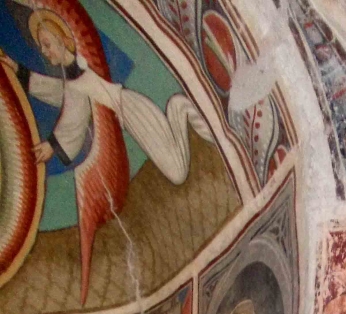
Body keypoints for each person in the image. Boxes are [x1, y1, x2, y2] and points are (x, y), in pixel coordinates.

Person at [0, 9, 212, 185]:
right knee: (177, 171)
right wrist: (18, 70)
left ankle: (180, 106)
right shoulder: (74, 75)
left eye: (47, 44)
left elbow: (75, 112)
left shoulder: (77, 76)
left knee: (177, 174)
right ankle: (179, 109)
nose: (44, 51)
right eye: (41, 47)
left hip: (132, 111)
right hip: (131, 111)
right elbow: (58, 91)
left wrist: (52, 145)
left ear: (63, 41)